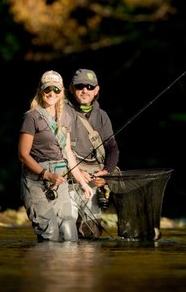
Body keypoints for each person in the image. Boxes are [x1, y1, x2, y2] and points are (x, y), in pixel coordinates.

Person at [18, 70, 94, 242]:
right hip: (36, 180)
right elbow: (23, 155)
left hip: (60, 178)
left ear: (62, 92)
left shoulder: (66, 116)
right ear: (41, 90)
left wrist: (83, 183)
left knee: (68, 231)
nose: (52, 93)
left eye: (56, 90)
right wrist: (46, 175)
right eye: (48, 89)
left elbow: (68, 152)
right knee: (50, 232)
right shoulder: (31, 118)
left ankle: (64, 269)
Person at [66, 68, 120, 238]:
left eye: (90, 87)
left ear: (97, 90)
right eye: (80, 86)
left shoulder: (102, 116)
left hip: (95, 182)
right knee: (67, 237)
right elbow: (56, 150)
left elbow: (113, 149)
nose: (85, 90)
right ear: (71, 88)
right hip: (68, 181)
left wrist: (105, 173)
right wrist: (77, 173)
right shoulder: (63, 113)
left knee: (91, 237)